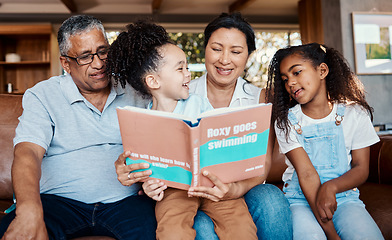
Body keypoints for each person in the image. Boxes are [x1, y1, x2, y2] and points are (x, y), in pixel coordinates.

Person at [114, 12, 293, 240]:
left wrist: (232, 190)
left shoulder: (250, 99)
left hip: (222, 186)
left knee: (245, 222)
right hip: (176, 190)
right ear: (205, 48)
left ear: (248, 56)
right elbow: (144, 161)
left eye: (236, 52)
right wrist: (145, 181)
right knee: (181, 228)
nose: (225, 59)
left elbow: (260, 165)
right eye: (217, 49)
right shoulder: (172, 96)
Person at [0, 15, 157, 240]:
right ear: (66, 64)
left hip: (126, 203)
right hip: (58, 203)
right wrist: (28, 209)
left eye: (103, 51)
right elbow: (28, 152)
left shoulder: (136, 90)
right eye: (85, 57)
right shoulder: (43, 95)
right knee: (14, 231)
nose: (99, 63)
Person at [266, 43, 384, 240]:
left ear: (322, 70)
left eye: (297, 72)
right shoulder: (286, 121)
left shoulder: (355, 113)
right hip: (301, 200)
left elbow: (361, 167)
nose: (290, 83)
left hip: (345, 198)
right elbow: (306, 174)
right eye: (285, 79)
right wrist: (330, 233)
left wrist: (331, 187)